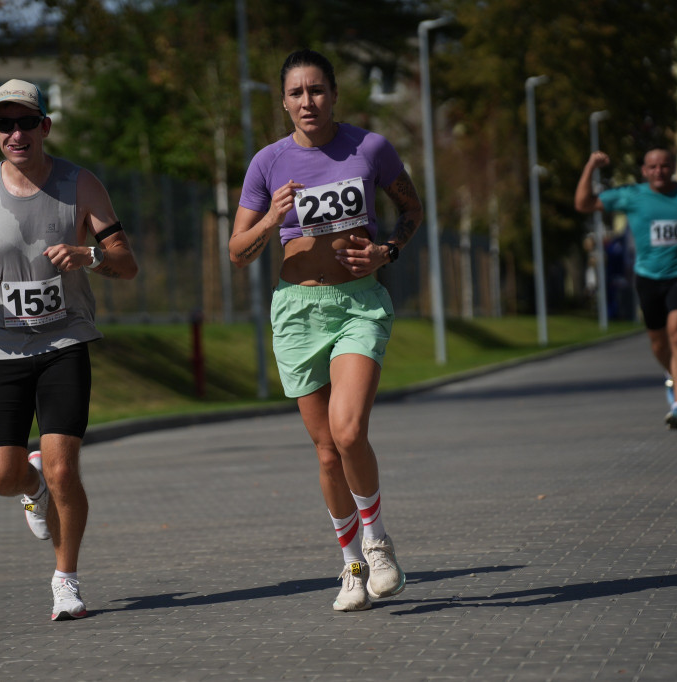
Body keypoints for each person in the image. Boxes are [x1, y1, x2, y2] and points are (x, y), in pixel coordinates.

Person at [229, 49, 423, 612]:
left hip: (359, 305)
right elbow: (238, 252)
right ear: (284, 101)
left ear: (334, 95)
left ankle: (379, 541)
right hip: (296, 311)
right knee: (325, 453)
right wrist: (272, 217)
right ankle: (352, 567)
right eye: (296, 93)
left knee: (349, 429)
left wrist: (387, 250)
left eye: (317, 90)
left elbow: (411, 209)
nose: (307, 102)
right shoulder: (268, 162)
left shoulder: (370, 148)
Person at [0, 78, 138, 620]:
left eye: (26, 121)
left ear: (45, 126)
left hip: (64, 340)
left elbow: (126, 262)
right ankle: (29, 486)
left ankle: (66, 579)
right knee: (0, 476)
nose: (16, 132)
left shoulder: (81, 184)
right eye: (5, 124)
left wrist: (90, 256)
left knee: (63, 470)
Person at [576, 148, 677, 431]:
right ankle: (672, 373)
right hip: (647, 277)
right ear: (644, 171)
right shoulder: (631, 195)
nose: (659, 172)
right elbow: (583, 203)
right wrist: (591, 166)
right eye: (653, 167)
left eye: (665, 166)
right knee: (658, 342)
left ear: (673, 168)